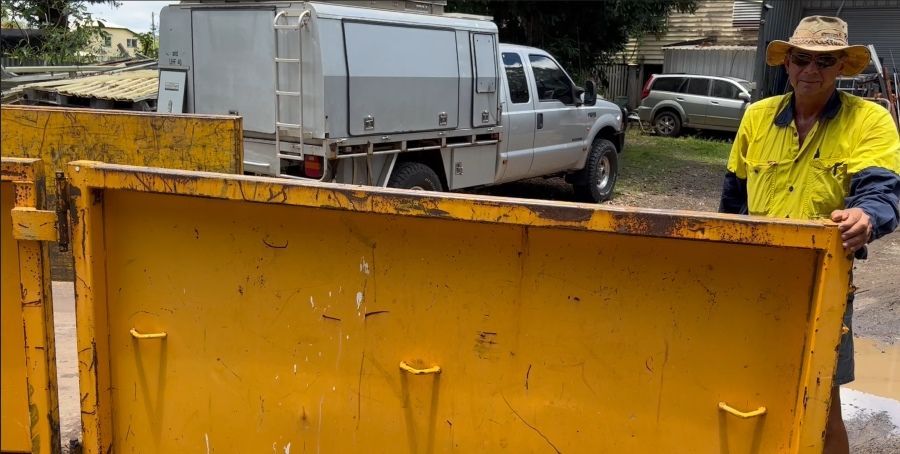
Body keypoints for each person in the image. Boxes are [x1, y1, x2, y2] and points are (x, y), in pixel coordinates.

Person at [719, 15, 900, 454]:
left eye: (825, 61)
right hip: (756, 281)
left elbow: (882, 192)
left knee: (821, 403)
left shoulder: (869, 121)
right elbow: (732, 202)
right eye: (802, 59)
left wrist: (865, 216)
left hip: (825, 287)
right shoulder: (757, 118)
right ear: (788, 63)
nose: (811, 71)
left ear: (841, 67)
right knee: (747, 388)